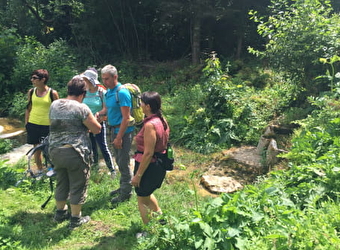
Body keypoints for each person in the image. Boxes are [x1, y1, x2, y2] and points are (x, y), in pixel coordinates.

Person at [49, 75, 101, 229]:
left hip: (55, 151)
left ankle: (59, 213)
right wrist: (97, 119)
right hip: (75, 152)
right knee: (78, 184)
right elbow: (96, 129)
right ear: (82, 94)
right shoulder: (81, 108)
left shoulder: (55, 104)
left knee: (61, 181)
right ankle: (75, 220)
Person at [131, 91, 170, 225]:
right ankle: (161, 221)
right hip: (159, 164)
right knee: (147, 194)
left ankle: (147, 231)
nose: (139, 105)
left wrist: (138, 175)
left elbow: (148, 153)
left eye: (141, 103)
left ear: (147, 106)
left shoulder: (150, 125)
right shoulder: (161, 120)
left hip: (149, 166)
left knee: (141, 198)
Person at [99, 64, 134, 204]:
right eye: (103, 79)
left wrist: (119, 137)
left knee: (123, 162)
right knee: (119, 160)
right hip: (113, 129)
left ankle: (126, 192)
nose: (104, 82)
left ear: (115, 77)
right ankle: (123, 186)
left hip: (123, 132)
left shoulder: (122, 93)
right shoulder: (109, 92)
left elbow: (126, 117)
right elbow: (107, 109)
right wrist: (99, 113)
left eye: (107, 79)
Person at [81, 68, 116, 177]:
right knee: (91, 147)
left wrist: (97, 114)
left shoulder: (101, 92)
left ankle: (112, 170)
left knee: (103, 146)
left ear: (90, 80)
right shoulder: (83, 92)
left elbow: (106, 108)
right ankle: (95, 168)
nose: (84, 82)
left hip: (98, 123)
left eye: (85, 80)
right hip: (86, 124)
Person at [25, 69, 59, 174]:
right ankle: (40, 170)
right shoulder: (31, 92)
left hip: (47, 125)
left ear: (43, 79)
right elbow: (28, 108)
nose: (32, 80)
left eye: (34, 78)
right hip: (33, 124)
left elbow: (58, 110)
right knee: (36, 149)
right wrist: (26, 123)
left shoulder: (52, 93)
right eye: (32, 78)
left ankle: (51, 169)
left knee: (49, 149)